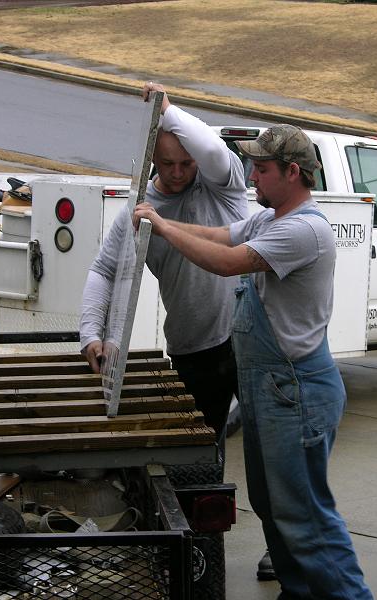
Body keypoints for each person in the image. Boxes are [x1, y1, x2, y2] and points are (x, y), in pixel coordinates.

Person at [133, 124, 374, 599]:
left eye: (261, 169)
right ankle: (298, 591)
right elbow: (219, 236)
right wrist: (161, 219)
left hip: (296, 391)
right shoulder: (269, 220)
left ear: (292, 172)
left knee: (305, 516)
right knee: (271, 504)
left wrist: (163, 226)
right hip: (271, 391)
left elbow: (226, 262)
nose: (251, 177)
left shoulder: (303, 230)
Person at [79, 81, 246, 444]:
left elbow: (211, 149)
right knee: (201, 451)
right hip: (194, 349)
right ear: (152, 157)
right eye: (168, 163)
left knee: (267, 446)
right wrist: (91, 334)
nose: (178, 172)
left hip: (247, 340)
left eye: (187, 163)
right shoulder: (139, 211)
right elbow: (104, 270)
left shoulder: (221, 184)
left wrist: (166, 109)